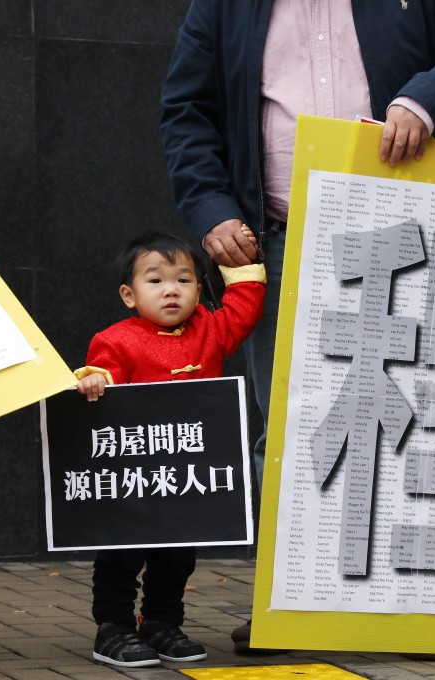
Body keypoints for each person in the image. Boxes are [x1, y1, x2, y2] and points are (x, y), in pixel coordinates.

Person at [160, 0, 435, 654]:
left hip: (407, 230)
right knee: (291, 430)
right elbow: (188, 111)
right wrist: (211, 208)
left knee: (414, 416)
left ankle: (414, 606)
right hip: (283, 238)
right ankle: (294, 601)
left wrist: (423, 101)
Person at [74, 231, 265, 668]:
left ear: (200, 289)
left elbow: (244, 306)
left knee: (178, 556)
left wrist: (246, 262)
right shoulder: (116, 338)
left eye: (184, 279)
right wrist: (93, 379)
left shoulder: (211, 331)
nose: (171, 290)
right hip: (135, 477)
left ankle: (162, 623)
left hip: (185, 478)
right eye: (156, 280)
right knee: (121, 554)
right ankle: (113, 628)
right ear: (129, 294)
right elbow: (101, 372)